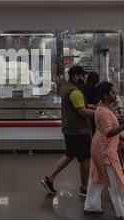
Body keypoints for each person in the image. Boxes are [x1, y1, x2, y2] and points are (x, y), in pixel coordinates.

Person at [84, 81, 124, 220]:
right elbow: (108, 132)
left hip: (98, 147)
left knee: (96, 177)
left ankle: (91, 205)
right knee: (117, 182)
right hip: (105, 149)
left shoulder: (103, 108)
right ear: (105, 95)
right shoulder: (103, 112)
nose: (115, 95)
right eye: (113, 93)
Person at [41, 66, 95, 197]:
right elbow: (82, 111)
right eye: (83, 75)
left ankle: (49, 178)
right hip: (79, 130)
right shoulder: (74, 91)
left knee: (69, 154)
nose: (84, 78)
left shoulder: (66, 87)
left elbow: (78, 107)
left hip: (69, 129)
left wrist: (91, 107)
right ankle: (84, 188)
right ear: (76, 76)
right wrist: (100, 111)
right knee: (85, 158)